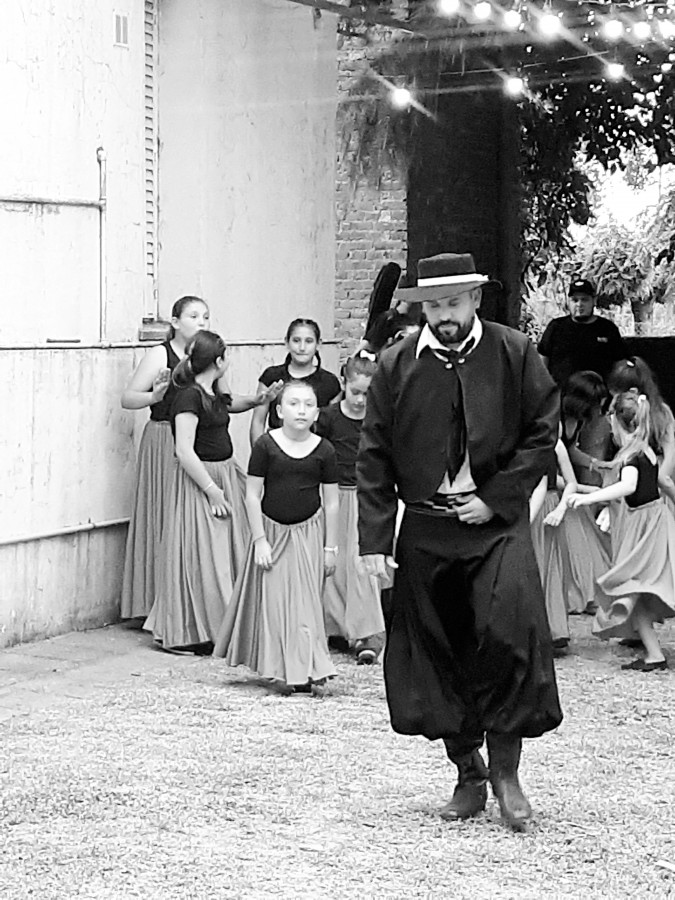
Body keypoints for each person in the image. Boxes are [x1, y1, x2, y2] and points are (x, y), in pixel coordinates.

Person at [357, 252, 562, 831]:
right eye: (433, 306)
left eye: (453, 303)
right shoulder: (397, 365)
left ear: (475, 299)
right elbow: (373, 455)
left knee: (509, 636)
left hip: (495, 527)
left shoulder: (514, 353)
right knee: (436, 656)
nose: (444, 315)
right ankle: (468, 773)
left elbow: (544, 430)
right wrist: (374, 539)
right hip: (426, 527)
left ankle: (507, 774)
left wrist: (496, 497)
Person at [145, 331, 281, 653]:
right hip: (201, 482)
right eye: (226, 356)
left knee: (224, 553)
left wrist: (263, 399)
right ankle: (190, 630)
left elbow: (231, 405)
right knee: (202, 555)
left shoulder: (213, 390)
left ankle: (223, 624)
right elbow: (184, 450)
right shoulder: (188, 396)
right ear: (218, 361)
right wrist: (212, 490)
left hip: (222, 473)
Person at [214, 380, 339, 693]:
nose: (301, 410)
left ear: (316, 413)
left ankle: (309, 667)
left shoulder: (325, 450)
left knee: (306, 604)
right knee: (275, 603)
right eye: (294, 403)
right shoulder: (266, 446)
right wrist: (259, 540)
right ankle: (280, 668)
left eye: (308, 405)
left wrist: (330, 547)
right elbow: (252, 495)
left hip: (309, 532)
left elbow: (332, 501)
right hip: (271, 532)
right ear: (280, 410)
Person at [567, 390, 675, 672]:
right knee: (635, 590)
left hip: (645, 529)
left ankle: (654, 654)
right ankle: (653, 654)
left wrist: (587, 499)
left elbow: (628, 486)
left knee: (633, 586)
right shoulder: (644, 450)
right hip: (649, 523)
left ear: (615, 421)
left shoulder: (633, 456)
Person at [120, 295, 209, 620]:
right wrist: (154, 396)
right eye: (194, 316)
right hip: (163, 437)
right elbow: (128, 399)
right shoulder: (160, 353)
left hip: (196, 439)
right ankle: (155, 601)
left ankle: (186, 601)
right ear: (175, 322)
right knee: (163, 515)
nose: (201, 322)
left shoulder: (207, 355)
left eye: (206, 317)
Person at [316, 353, 386, 665]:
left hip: (365, 498)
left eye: (367, 394)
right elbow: (315, 453)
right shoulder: (329, 418)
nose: (360, 400)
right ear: (344, 383)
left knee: (363, 566)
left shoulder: (379, 419)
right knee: (334, 565)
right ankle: (334, 627)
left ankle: (366, 634)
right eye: (355, 392)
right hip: (332, 496)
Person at [558, 372, 612, 614]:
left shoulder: (576, 421)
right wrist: (585, 489)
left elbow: (570, 452)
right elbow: (545, 470)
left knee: (586, 532)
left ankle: (589, 591)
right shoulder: (552, 420)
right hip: (553, 487)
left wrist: (597, 465)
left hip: (567, 485)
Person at [249, 318, 340, 446]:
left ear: (318, 344)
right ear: (287, 342)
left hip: (316, 452)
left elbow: (335, 429)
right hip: (276, 450)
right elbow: (258, 421)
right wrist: (258, 455)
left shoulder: (330, 383)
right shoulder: (271, 376)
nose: (302, 348)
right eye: (296, 341)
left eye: (309, 341)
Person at [529, 437, 577, 651]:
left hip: (548, 507)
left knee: (550, 569)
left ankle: (552, 630)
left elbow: (571, 482)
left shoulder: (555, 444)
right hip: (522, 504)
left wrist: (561, 509)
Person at [607, 356, 675, 503]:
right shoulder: (617, 414)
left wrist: (658, 482)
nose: (612, 401)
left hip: (655, 480)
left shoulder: (661, 413)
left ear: (632, 392)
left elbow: (670, 455)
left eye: (616, 396)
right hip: (629, 477)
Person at [538, 278, 626, 388]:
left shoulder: (607, 329)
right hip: (561, 396)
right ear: (568, 302)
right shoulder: (556, 327)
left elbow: (620, 365)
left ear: (593, 301)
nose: (579, 304)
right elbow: (542, 361)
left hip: (598, 397)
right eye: (575, 300)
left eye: (584, 300)